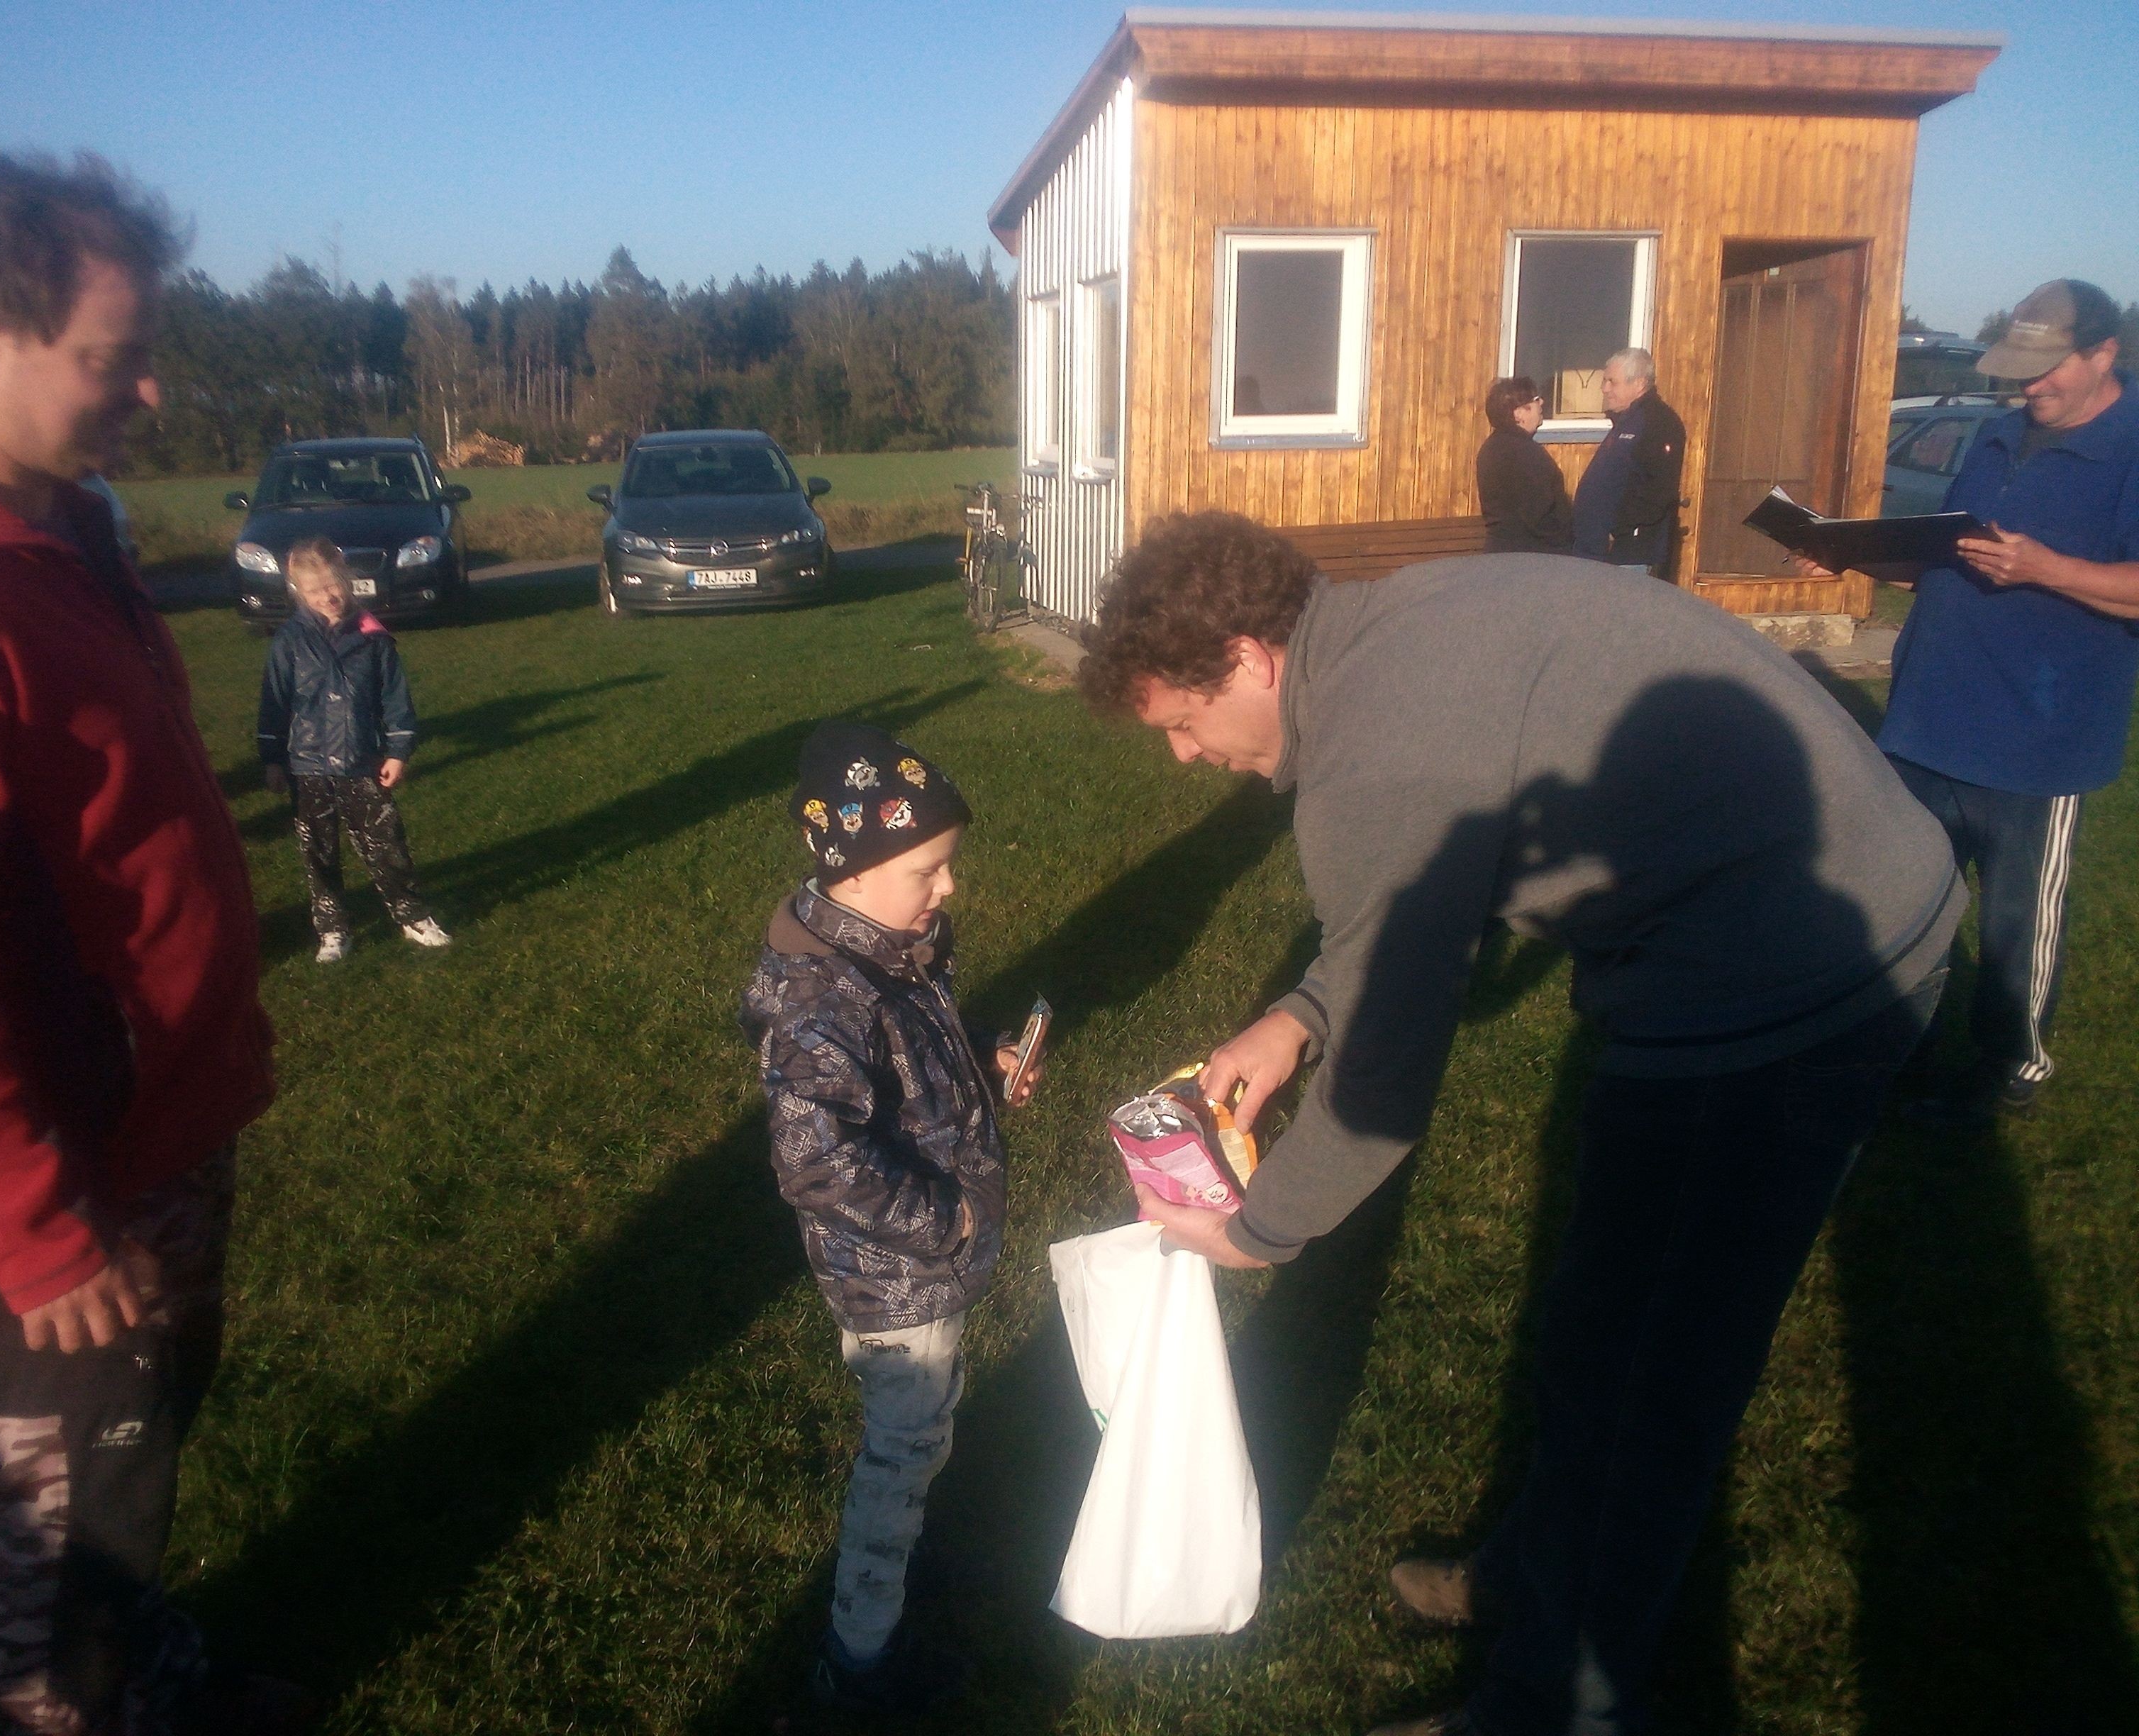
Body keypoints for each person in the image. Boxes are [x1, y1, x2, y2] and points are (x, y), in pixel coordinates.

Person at [1075, 512, 1962, 1736]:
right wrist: (1296, 1017)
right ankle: (1540, 1572)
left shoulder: (1376, 748)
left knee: (1651, 1385)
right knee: (1598, 1324)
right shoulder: (1381, 634)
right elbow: (1421, 899)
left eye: (1182, 721)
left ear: (1247, 658)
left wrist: (1257, 1230)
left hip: (1792, 984)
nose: (1183, 755)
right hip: (1754, 934)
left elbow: (1383, 1088)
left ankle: (1550, 1705)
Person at [0, 152, 294, 1733]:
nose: (150, 389)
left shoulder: (55, 524)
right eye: (114, 356)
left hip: (151, 1117)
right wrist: (34, 1228)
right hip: (53, 1169)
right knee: (59, 1531)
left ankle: (143, 1672)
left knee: (135, 1453)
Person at [738, 723, 1042, 1718]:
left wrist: (984, 1057)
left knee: (925, 1429)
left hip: (925, 1266)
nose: (949, 887)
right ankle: (858, 1661)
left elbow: (912, 1058)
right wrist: (948, 1224)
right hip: (897, 1278)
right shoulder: (821, 1003)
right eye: (928, 870)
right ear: (854, 871)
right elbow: (815, 1161)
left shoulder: (888, 949)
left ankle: (903, 1557)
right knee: (899, 1452)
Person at [1822, 279, 2138, 1126]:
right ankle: (1905, 1045)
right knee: (1905, 897)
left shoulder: (2131, 449)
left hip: (2038, 737)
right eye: (2020, 369)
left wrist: (2047, 570)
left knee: (2015, 922)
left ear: (2104, 353)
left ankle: (2010, 1066)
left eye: (2047, 369)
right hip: (1926, 720)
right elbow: (1949, 556)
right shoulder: (1998, 434)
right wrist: (1849, 552)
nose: (2029, 386)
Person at [257, 537, 450, 962]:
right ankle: (333, 928)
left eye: (332, 585)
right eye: (314, 590)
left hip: (362, 760)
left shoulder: (372, 638)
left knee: (386, 844)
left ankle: (412, 915)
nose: (327, 596)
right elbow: (274, 703)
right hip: (306, 765)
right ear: (298, 592)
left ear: (347, 580)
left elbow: (395, 700)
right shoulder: (289, 640)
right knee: (318, 851)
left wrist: (398, 751)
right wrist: (272, 760)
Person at [1571, 347, 1686, 574]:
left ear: (1639, 384)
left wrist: (1617, 529)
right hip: (1598, 552)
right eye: (1604, 381)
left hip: (1628, 555)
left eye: (1612, 382)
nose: (1604, 389)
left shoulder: (1658, 422)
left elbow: (1659, 490)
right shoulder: (1626, 421)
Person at [1475, 376, 1573, 554]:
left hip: (1501, 551)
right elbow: (1541, 513)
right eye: (1535, 399)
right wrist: (1568, 540)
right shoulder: (1524, 453)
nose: (1542, 402)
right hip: (1531, 556)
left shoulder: (1492, 447)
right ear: (1518, 413)